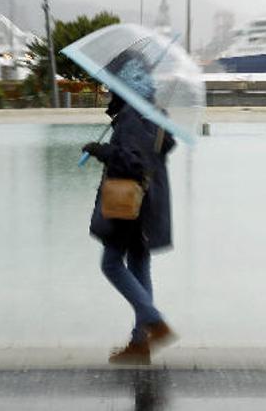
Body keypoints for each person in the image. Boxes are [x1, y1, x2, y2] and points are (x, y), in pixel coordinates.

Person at [82, 51, 178, 365]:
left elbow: (131, 161)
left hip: (131, 204)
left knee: (111, 264)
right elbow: (156, 153)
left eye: (112, 83)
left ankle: (154, 321)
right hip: (151, 202)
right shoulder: (154, 112)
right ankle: (140, 344)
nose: (107, 89)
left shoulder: (132, 116)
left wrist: (102, 151)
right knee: (138, 264)